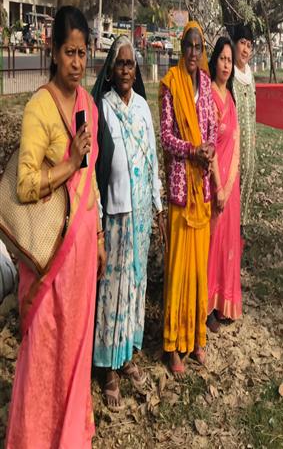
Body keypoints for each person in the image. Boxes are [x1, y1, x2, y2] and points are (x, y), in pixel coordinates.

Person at [6, 6, 106, 448]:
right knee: (45, 348)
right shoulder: (39, 107)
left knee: (75, 346)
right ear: (53, 51)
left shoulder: (88, 106)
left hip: (82, 255)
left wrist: (99, 236)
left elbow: (91, 178)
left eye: (83, 53)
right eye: (70, 52)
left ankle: (69, 435)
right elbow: (25, 185)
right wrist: (68, 163)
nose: (77, 63)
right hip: (49, 257)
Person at [91, 36, 165, 409]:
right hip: (115, 214)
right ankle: (108, 367)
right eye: (120, 63)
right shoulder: (101, 109)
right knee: (113, 289)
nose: (125, 69)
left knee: (135, 285)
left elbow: (151, 158)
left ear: (136, 70)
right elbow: (95, 168)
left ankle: (127, 355)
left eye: (130, 64)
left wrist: (158, 206)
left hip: (140, 216)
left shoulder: (141, 109)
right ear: (110, 69)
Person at [160, 21, 217, 376]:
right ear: (181, 48)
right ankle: (173, 346)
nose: (193, 52)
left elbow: (212, 127)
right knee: (179, 267)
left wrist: (208, 148)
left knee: (198, 267)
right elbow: (166, 137)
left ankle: (196, 337)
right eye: (188, 46)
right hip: (182, 189)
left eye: (198, 46)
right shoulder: (171, 84)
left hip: (203, 187)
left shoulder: (206, 84)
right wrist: (192, 150)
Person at [206, 37, 242, 333]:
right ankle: (206, 305)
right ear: (214, 60)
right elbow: (210, 144)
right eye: (223, 59)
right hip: (213, 184)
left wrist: (230, 183)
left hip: (231, 185)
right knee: (212, 243)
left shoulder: (230, 97)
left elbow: (236, 140)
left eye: (230, 60)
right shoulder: (208, 96)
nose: (227, 65)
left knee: (229, 243)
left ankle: (224, 303)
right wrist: (219, 185)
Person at [232, 24, 256, 236]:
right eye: (242, 43)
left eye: (249, 45)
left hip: (250, 143)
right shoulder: (229, 75)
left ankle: (242, 224)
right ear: (234, 44)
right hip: (233, 144)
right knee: (233, 183)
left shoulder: (250, 76)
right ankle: (230, 226)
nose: (245, 50)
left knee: (248, 176)